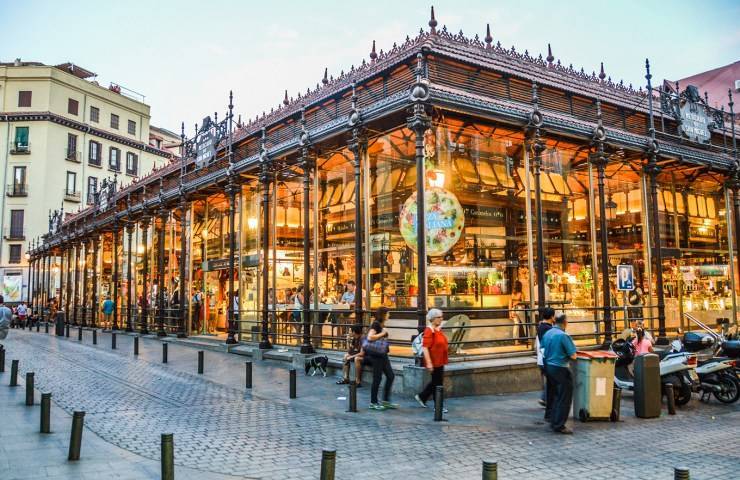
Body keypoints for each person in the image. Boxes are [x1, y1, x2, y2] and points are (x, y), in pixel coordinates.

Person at [541, 313, 577, 434]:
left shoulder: (548, 333)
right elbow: (573, 355)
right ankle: (559, 424)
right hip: (561, 368)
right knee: (564, 397)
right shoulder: (563, 336)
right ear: (565, 323)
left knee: (556, 395)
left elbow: (542, 349)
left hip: (549, 366)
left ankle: (553, 420)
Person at [414, 308, 449, 411]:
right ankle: (438, 406)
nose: (441, 319)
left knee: (435, 382)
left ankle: (422, 397)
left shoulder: (438, 329)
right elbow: (425, 347)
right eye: (439, 317)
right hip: (434, 361)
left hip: (439, 360)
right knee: (438, 383)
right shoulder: (429, 330)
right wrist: (429, 363)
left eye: (442, 317)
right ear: (433, 318)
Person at [365, 307, 396, 410]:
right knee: (377, 378)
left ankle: (386, 401)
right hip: (376, 355)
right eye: (388, 313)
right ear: (383, 314)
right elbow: (370, 337)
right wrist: (383, 333)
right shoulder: (376, 324)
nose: (389, 315)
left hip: (382, 354)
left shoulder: (381, 324)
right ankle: (373, 402)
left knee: (390, 375)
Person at [535, 307, 556, 408]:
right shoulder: (548, 329)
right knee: (552, 380)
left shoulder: (540, 327)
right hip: (546, 358)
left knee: (550, 380)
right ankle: (545, 398)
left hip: (541, 358)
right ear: (552, 316)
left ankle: (545, 398)